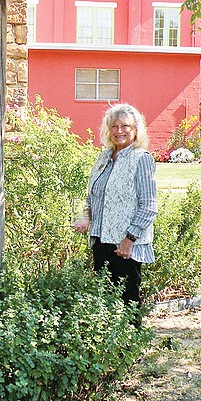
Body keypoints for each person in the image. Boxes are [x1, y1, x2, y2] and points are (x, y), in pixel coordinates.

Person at [72, 103, 158, 312]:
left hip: (125, 244)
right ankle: (111, 345)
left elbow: (149, 205)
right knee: (105, 299)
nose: (119, 131)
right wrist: (86, 216)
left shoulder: (141, 159)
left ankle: (131, 344)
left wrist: (130, 240)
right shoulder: (105, 157)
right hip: (101, 239)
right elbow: (95, 193)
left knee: (128, 299)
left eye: (125, 126)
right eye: (114, 126)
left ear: (135, 130)